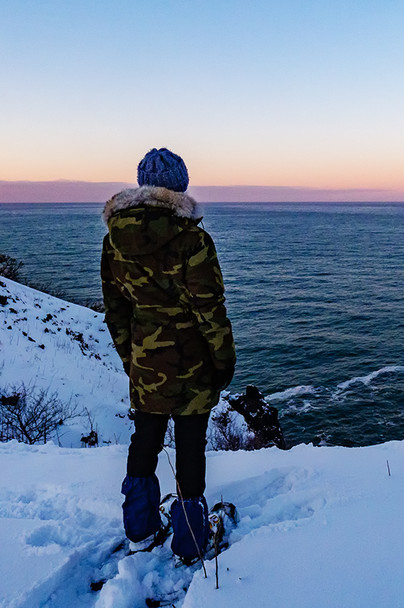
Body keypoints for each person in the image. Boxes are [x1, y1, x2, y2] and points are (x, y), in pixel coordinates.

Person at [100, 148, 236, 559]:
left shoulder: (114, 241)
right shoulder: (193, 239)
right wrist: (223, 361)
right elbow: (210, 310)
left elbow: (116, 311)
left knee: (145, 440)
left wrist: (132, 360)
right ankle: (192, 539)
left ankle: (140, 529)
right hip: (192, 364)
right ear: (180, 186)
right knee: (190, 444)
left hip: (146, 363)